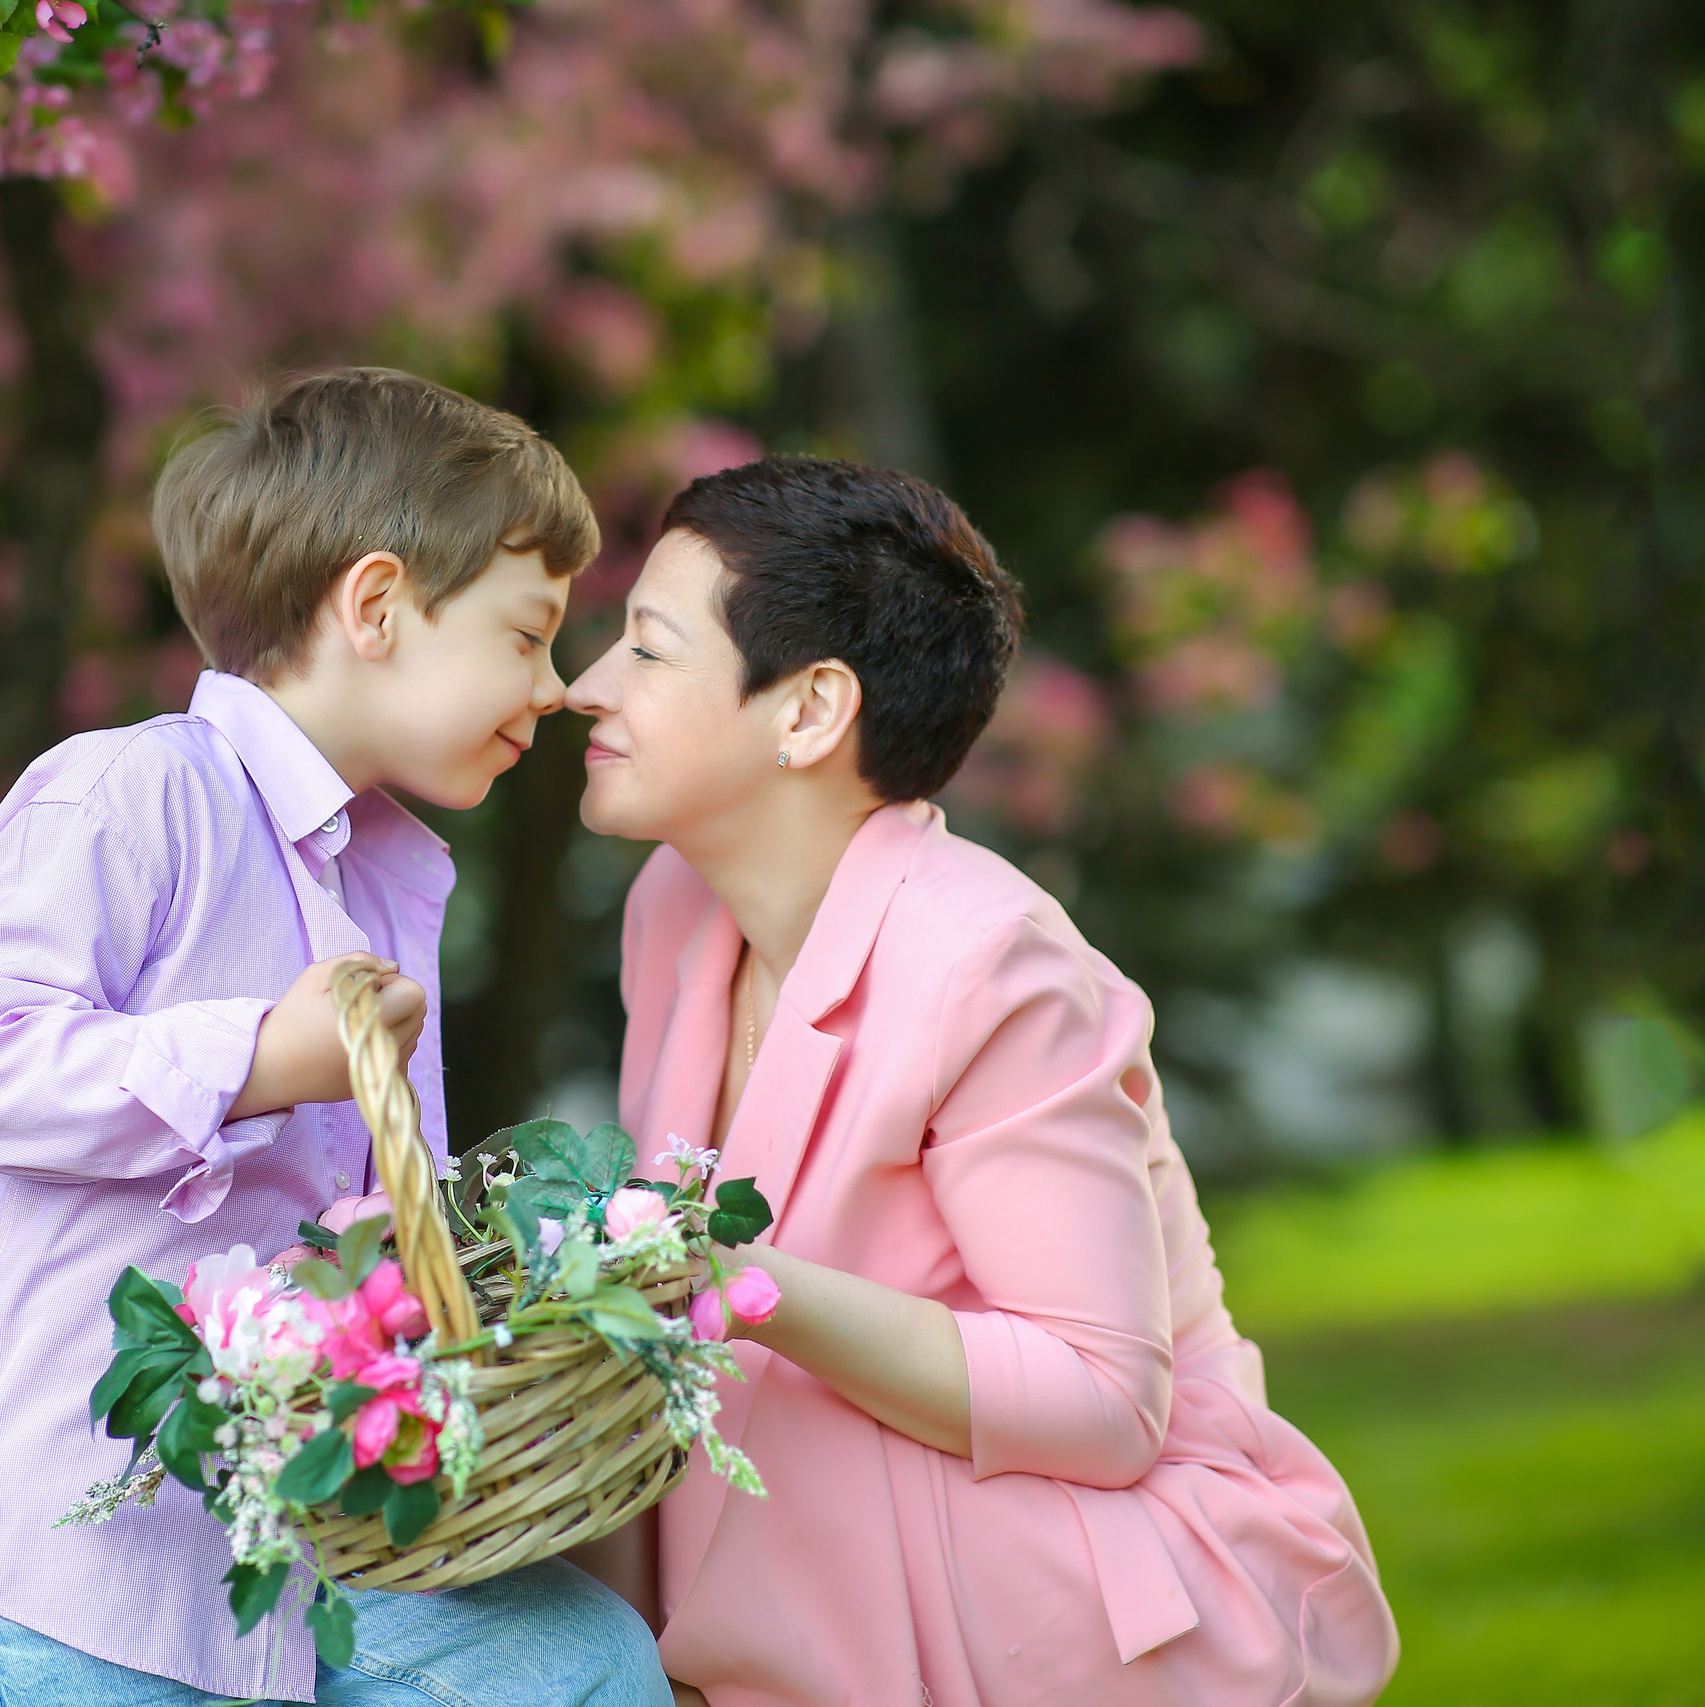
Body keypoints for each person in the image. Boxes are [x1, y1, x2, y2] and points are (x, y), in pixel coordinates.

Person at [0, 369, 669, 1706]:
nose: (550, 688)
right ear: (374, 606)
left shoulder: (388, 876)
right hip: (78, 1570)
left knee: (583, 1666)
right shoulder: (129, 789)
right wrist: (256, 1056)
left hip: (300, 1545)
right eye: (526, 635)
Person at [563, 459, 1399, 1707]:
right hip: (785, 1586)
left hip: (1047, 1621)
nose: (586, 688)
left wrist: (734, 1279)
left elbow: (1104, 1398)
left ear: (806, 713)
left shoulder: (991, 965)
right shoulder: (675, 908)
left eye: (647, 649)